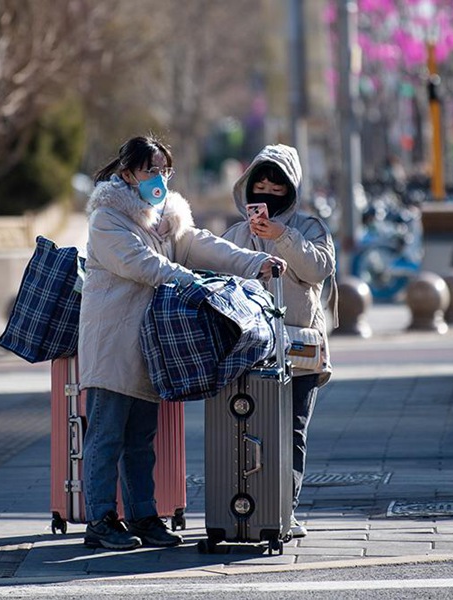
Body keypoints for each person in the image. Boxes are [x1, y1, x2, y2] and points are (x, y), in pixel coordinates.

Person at [79, 135, 287, 551]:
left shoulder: (166, 217)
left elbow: (203, 245)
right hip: (112, 345)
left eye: (164, 171)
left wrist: (254, 262)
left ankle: (143, 516)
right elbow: (142, 265)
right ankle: (100, 520)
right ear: (127, 174)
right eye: (150, 170)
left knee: (141, 438)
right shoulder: (108, 219)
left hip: (148, 345)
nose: (159, 179)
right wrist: (193, 282)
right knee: (106, 435)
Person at [221, 144, 336, 539]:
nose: (267, 193)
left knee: (293, 430)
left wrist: (283, 237)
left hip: (300, 346)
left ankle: (286, 510)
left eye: (277, 185)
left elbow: (319, 268)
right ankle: (248, 508)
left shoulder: (309, 228)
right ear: (248, 186)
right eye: (260, 184)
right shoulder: (234, 233)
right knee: (248, 429)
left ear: (290, 189)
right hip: (248, 350)